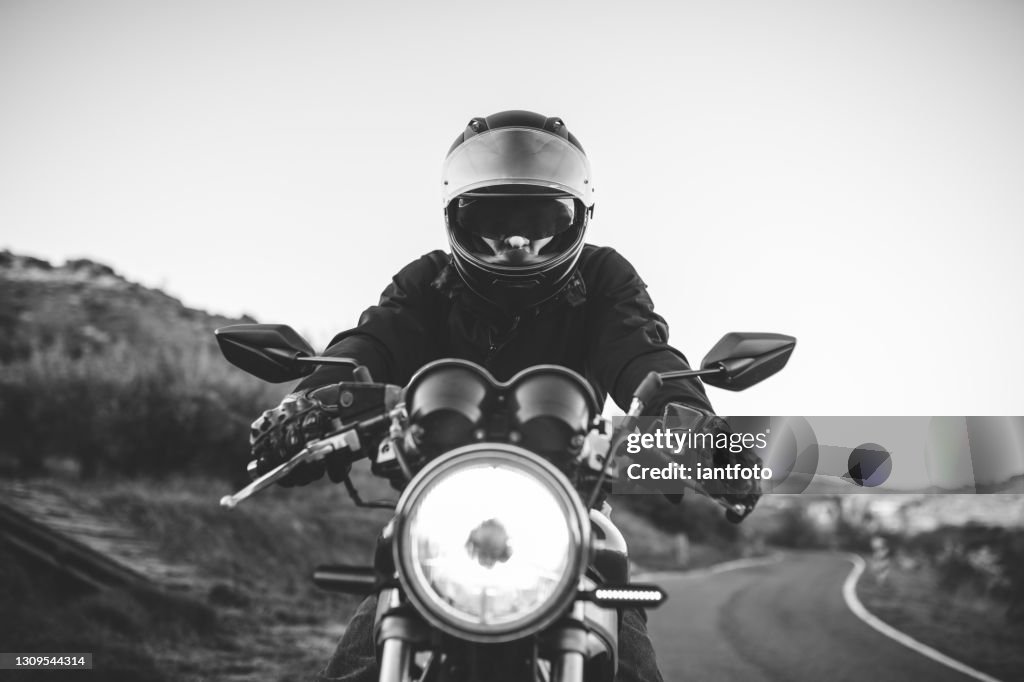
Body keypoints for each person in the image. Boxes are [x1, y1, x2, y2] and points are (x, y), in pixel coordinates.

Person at [248, 110, 760, 682]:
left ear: (576, 217)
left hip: (573, 517)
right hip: (440, 516)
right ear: (456, 216)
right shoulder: (425, 283)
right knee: (363, 654)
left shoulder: (604, 278)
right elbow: (369, 342)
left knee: (629, 663)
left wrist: (699, 429)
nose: (517, 241)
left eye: (541, 218)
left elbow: (644, 355)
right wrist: (309, 403)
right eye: (493, 217)